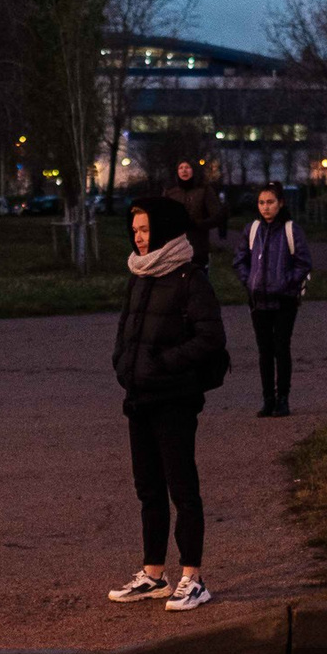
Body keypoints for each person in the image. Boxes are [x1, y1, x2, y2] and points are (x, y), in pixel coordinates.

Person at [105, 195, 227, 612]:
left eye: (145, 230)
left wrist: (162, 364)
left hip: (174, 398)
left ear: (164, 231)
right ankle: (153, 574)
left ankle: (193, 577)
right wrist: (124, 364)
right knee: (148, 488)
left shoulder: (190, 278)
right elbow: (125, 331)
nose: (139, 239)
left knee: (182, 488)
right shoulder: (139, 275)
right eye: (135, 230)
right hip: (139, 397)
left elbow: (210, 338)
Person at [234, 184, 312, 417]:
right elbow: (240, 260)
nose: (265, 207)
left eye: (270, 202)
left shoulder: (291, 230)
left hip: (284, 300)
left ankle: (283, 399)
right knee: (264, 350)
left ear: (281, 203)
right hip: (258, 300)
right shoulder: (252, 230)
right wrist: (250, 282)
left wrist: (286, 283)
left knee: (281, 348)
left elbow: (303, 262)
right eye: (261, 203)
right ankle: (267, 399)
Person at [160, 158, 227, 265]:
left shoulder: (204, 190)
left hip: (197, 247)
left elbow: (218, 216)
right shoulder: (170, 192)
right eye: (181, 168)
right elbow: (161, 216)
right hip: (174, 247)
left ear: (194, 170)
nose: (184, 171)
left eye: (187, 167)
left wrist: (198, 224)